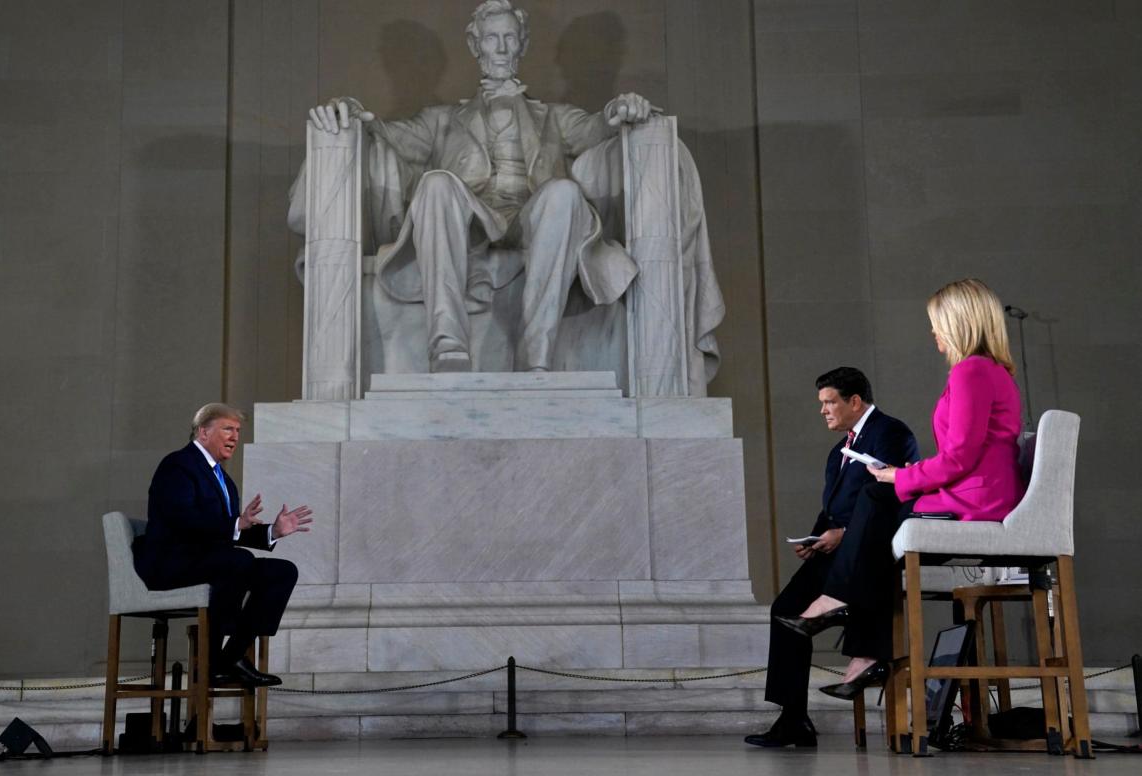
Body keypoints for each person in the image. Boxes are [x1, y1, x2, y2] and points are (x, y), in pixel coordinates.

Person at [304, 0, 722, 379]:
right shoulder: (442, 120)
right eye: (491, 38)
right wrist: (350, 109)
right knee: (435, 184)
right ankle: (447, 341)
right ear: (476, 46)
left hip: (533, 219)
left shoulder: (553, 117)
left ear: (521, 46)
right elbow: (384, 132)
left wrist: (621, 109)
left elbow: (598, 127)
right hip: (469, 223)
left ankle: (536, 348)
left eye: (509, 38)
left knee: (563, 193)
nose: (501, 48)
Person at [781, 278, 1024, 701]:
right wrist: (907, 476)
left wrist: (901, 477)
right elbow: (964, 454)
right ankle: (861, 651)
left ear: (959, 322)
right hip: (976, 490)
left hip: (976, 499)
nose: (934, 334)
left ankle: (839, 608)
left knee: (876, 499)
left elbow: (961, 458)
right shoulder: (990, 371)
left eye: (937, 324)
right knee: (876, 531)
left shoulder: (972, 371)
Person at [745, 367, 918, 748]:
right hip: (834, 549)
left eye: (829, 402)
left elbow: (890, 496)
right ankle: (793, 719)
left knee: (812, 605)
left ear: (854, 401)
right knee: (785, 611)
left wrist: (845, 534)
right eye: (821, 404)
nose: (823, 410)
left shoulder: (891, 432)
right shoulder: (836, 449)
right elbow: (834, 509)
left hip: (871, 550)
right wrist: (816, 536)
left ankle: (863, 657)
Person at [132, 404, 314, 687]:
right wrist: (235, 525)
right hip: (170, 562)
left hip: (209, 562)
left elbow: (232, 530)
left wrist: (272, 531)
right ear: (203, 432)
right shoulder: (178, 464)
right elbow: (182, 519)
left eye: (238, 431)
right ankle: (210, 660)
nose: (235, 437)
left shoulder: (223, 480)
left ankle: (231, 656)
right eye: (228, 429)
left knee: (281, 571)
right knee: (236, 561)